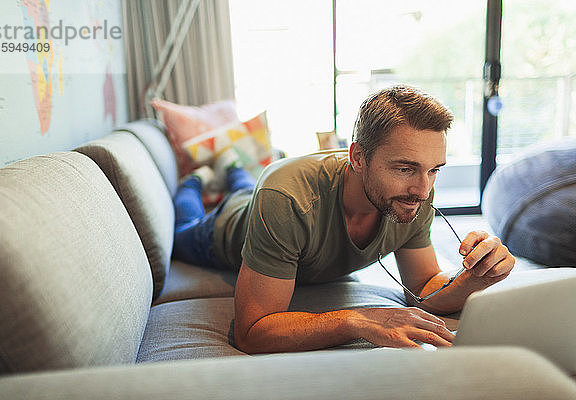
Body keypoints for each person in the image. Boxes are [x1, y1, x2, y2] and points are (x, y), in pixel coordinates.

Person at [172, 84, 515, 354]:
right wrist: (358, 320)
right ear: (358, 157)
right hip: (225, 229)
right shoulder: (287, 197)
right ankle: (194, 181)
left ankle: (232, 168)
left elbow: (423, 288)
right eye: (404, 168)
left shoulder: (414, 194)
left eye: (433, 170)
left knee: (243, 182)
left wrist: (476, 277)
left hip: (260, 198)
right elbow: (252, 332)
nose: (422, 190)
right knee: (187, 219)